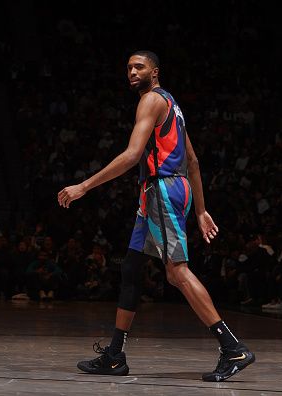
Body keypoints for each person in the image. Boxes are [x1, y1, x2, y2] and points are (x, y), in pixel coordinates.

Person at [58, 50, 254, 382]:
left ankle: (232, 347)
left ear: (155, 71)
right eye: (128, 68)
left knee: (177, 273)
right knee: (132, 267)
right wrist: (202, 209)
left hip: (162, 190)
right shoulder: (173, 105)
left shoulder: (150, 100)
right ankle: (115, 356)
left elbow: (133, 154)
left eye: (139, 66)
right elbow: (191, 160)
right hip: (162, 192)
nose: (131, 72)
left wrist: (85, 186)